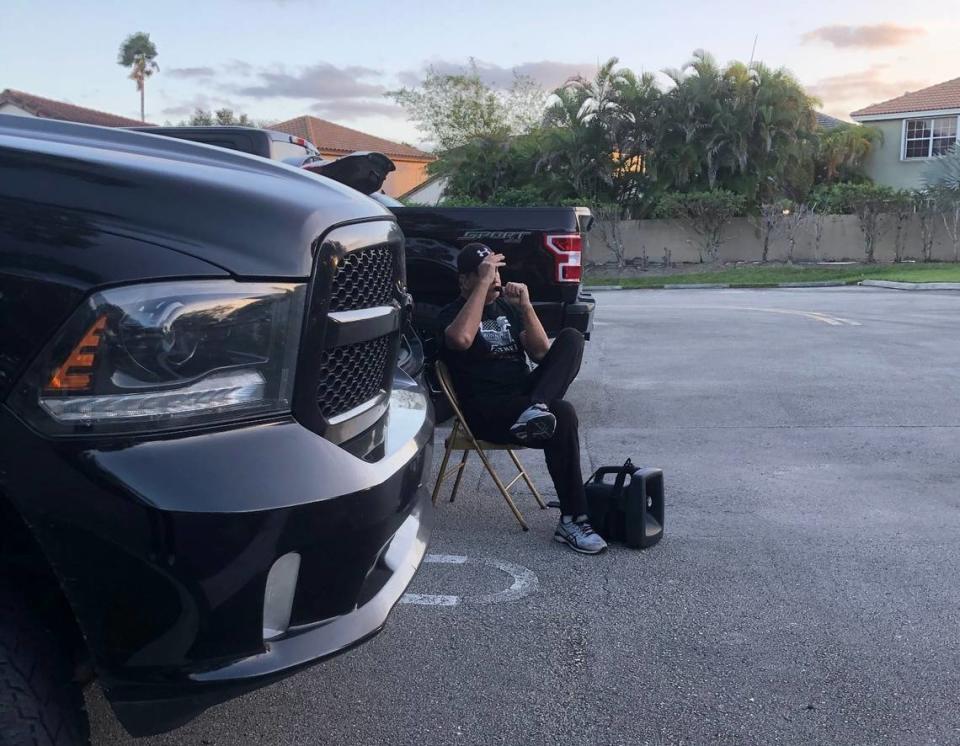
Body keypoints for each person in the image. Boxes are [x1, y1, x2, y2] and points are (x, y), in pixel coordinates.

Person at [436, 243, 607, 555]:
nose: (495, 278)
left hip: (525, 402)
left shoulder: (507, 310)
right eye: (485, 272)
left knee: (571, 338)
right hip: (488, 411)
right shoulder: (450, 315)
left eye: (497, 271)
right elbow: (460, 340)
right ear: (464, 281)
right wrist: (484, 285)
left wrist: (526, 307)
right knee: (565, 414)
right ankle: (574, 518)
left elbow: (541, 353)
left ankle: (538, 406)